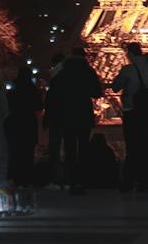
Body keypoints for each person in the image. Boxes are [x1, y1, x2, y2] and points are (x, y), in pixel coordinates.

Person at [45, 48, 100, 191]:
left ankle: (72, 179)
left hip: (67, 114)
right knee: (83, 147)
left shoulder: (62, 74)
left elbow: (53, 95)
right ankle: (83, 179)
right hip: (83, 113)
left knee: (70, 148)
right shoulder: (88, 72)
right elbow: (97, 92)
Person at [6, 64, 41, 201]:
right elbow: (39, 106)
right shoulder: (33, 91)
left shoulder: (13, 91)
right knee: (28, 153)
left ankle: (16, 178)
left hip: (15, 124)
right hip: (29, 123)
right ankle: (27, 178)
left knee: (16, 152)